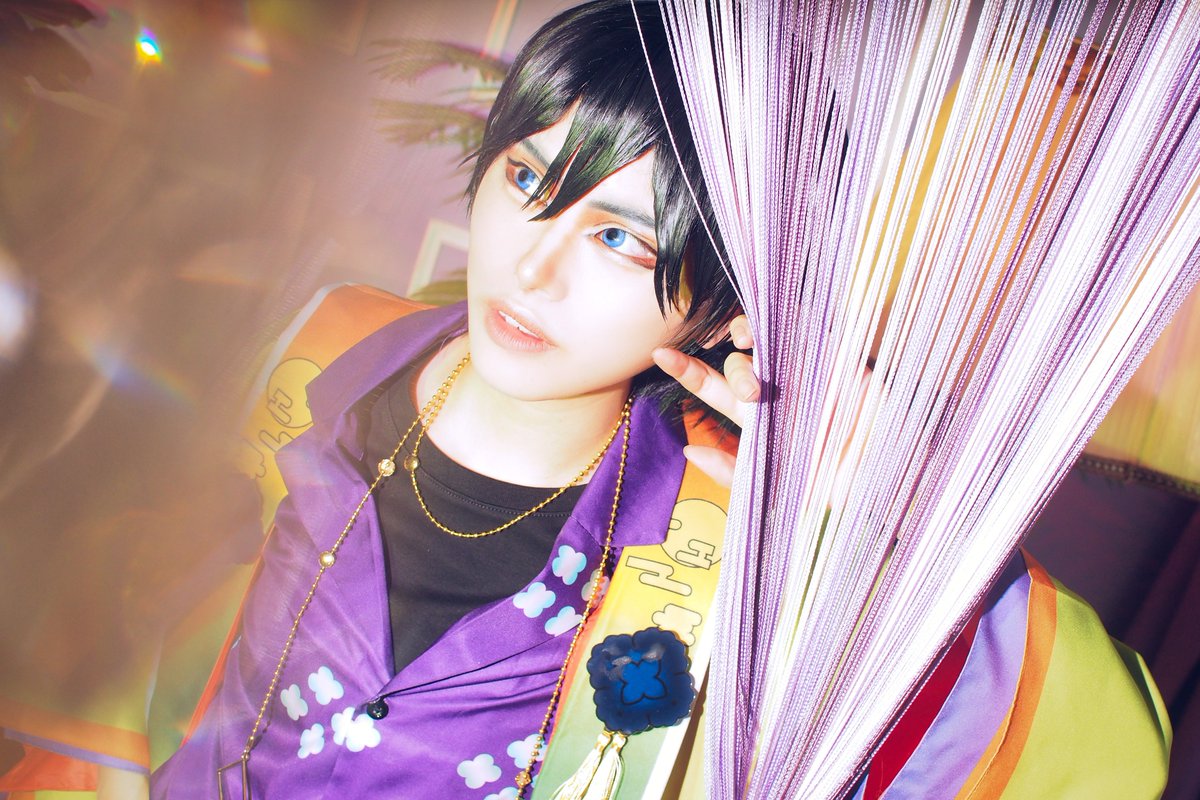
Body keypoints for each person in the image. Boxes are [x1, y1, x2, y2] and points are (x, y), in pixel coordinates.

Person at [150, 2, 1170, 798]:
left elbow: (1106, 750)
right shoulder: (321, 353)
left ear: (719, 301)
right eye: (527, 179)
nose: (531, 271)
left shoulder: (734, 538)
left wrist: (888, 514)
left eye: (618, 238)